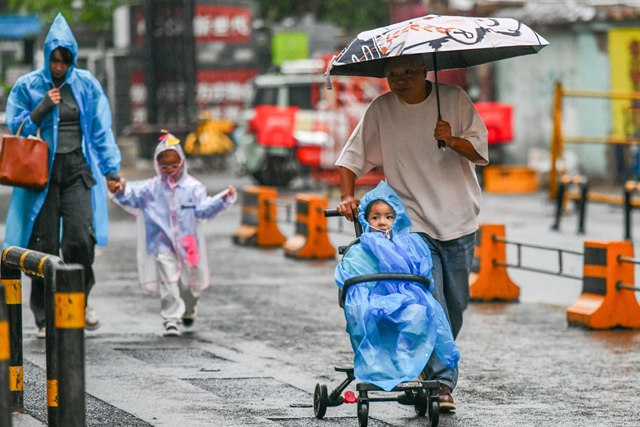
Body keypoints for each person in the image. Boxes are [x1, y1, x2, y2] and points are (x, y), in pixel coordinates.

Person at [335, 54, 488, 411]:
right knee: (427, 300)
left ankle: (429, 370)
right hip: (412, 226)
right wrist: (346, 195)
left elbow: (480, 150)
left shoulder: (453, 99)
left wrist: (451, 139)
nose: (400, 80)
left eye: (407, 72)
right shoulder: (381, 109)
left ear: (424, 71)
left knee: (455, 305)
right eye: (393, 74)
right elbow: (350, 158)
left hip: (459, 219)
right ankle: (440, 384)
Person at [3, 13, 124, 338]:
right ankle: (43, 317)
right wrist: (42, 107)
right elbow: (15, 125)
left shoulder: (86, 85)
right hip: (39, 174)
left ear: (71, 57)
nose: (58, 66)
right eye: (54, 59)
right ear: (46, 57)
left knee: (80, 239)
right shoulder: (29, 85)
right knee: (43, 245)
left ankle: (80, 301)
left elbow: (100, 131)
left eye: (64, 59)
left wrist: (112, 170)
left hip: (76, 170)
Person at [335, 181, 459, 392]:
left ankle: (408, 366)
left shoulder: (410, 247)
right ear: (366, 219)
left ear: (397, 218)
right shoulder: (358, 251)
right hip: (371, 301)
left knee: (419, 313)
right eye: (375, 217)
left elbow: (422, 277)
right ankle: (375, 368)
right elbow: (351, 282)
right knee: (362, 313)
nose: (382, 222)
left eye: (388, 217)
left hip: (404, 301)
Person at [109, 131, 237, 336]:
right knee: (168, 281)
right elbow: (131, 195)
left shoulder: (193, 188)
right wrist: (120, 190)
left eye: (174, 165)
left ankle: (189, 308)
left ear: (182, 163)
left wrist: (223, 198)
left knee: (190, 284)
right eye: (165, 166)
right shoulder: (151, 188)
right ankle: (170, 319)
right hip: (161, 243)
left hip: (188, 245)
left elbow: (203, 210)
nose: (169, 170)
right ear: (157, 164)